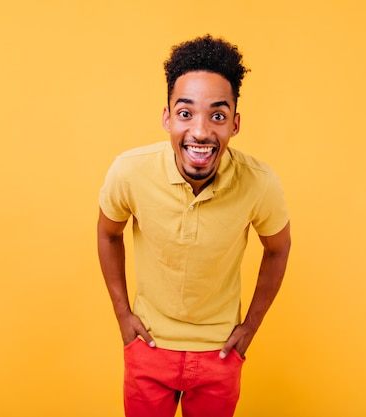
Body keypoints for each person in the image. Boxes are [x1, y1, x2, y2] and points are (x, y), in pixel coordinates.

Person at [97, 34, 291, 417]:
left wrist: (249, 328)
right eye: (186, 113)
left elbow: (278, 248)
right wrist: (123, 315)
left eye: (217, 115)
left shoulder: (259, 182)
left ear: (234, 123)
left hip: (219, 354)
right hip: (149, 349)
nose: (200, 132)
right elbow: (108, 232)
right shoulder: (130, 171)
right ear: (167, 117)